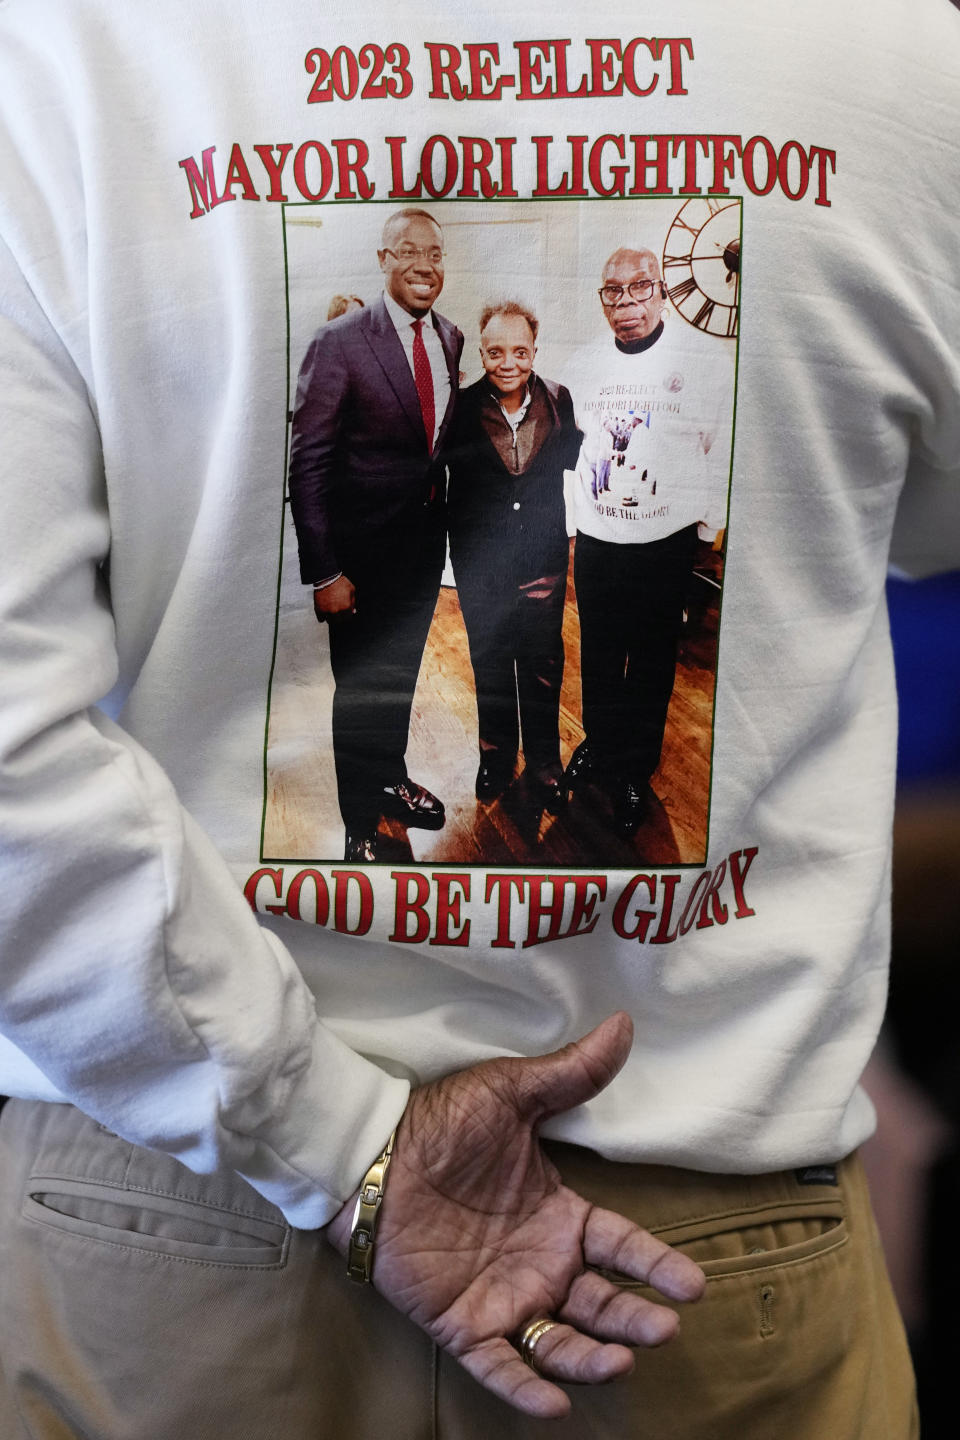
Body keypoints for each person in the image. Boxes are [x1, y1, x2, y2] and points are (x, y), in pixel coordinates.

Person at [3, 3, 959, 1437]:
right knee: (389, 723)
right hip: (693, 1231)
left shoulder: (57, 49)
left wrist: (329, 1140)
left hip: (176, 1225)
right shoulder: (908, 52)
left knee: (547, 719)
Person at [288, 209, 463, 862]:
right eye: (410, 250)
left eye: (436, 253)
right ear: (384, 258)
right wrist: (325, 572)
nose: (425, 263)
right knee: (358, 691)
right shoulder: (339, 341)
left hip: (420, 560)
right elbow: (308, 462)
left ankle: (389, 777)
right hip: (356, 564)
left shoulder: (449, 339)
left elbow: (433, 452)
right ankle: (360, 825)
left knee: (397, 681)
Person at [564, 246, 732, 835]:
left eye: (639, 289)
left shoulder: (703, 362)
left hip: (665, 541)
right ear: (602, 300)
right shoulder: (584, 365)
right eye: (613, 292)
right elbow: (574, 456)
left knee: (654, 659)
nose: (626, 304)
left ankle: (635, 768)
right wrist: (572, 527)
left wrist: (708, 536)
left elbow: (719, 451)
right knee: (601, 653)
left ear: (660, 291)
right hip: (601, 540)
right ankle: (600, 745)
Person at [447, 301, 582, 811]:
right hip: (481, 566)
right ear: (481, 352)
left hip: (543, 560)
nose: (508, 363)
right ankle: (496, 757)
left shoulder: (559, 400)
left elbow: (572, 466)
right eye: (496, 352)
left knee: (544, 663)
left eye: (520, 351)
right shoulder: (458, 410)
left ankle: (546, 763)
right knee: (491, 662)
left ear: (534, 351)